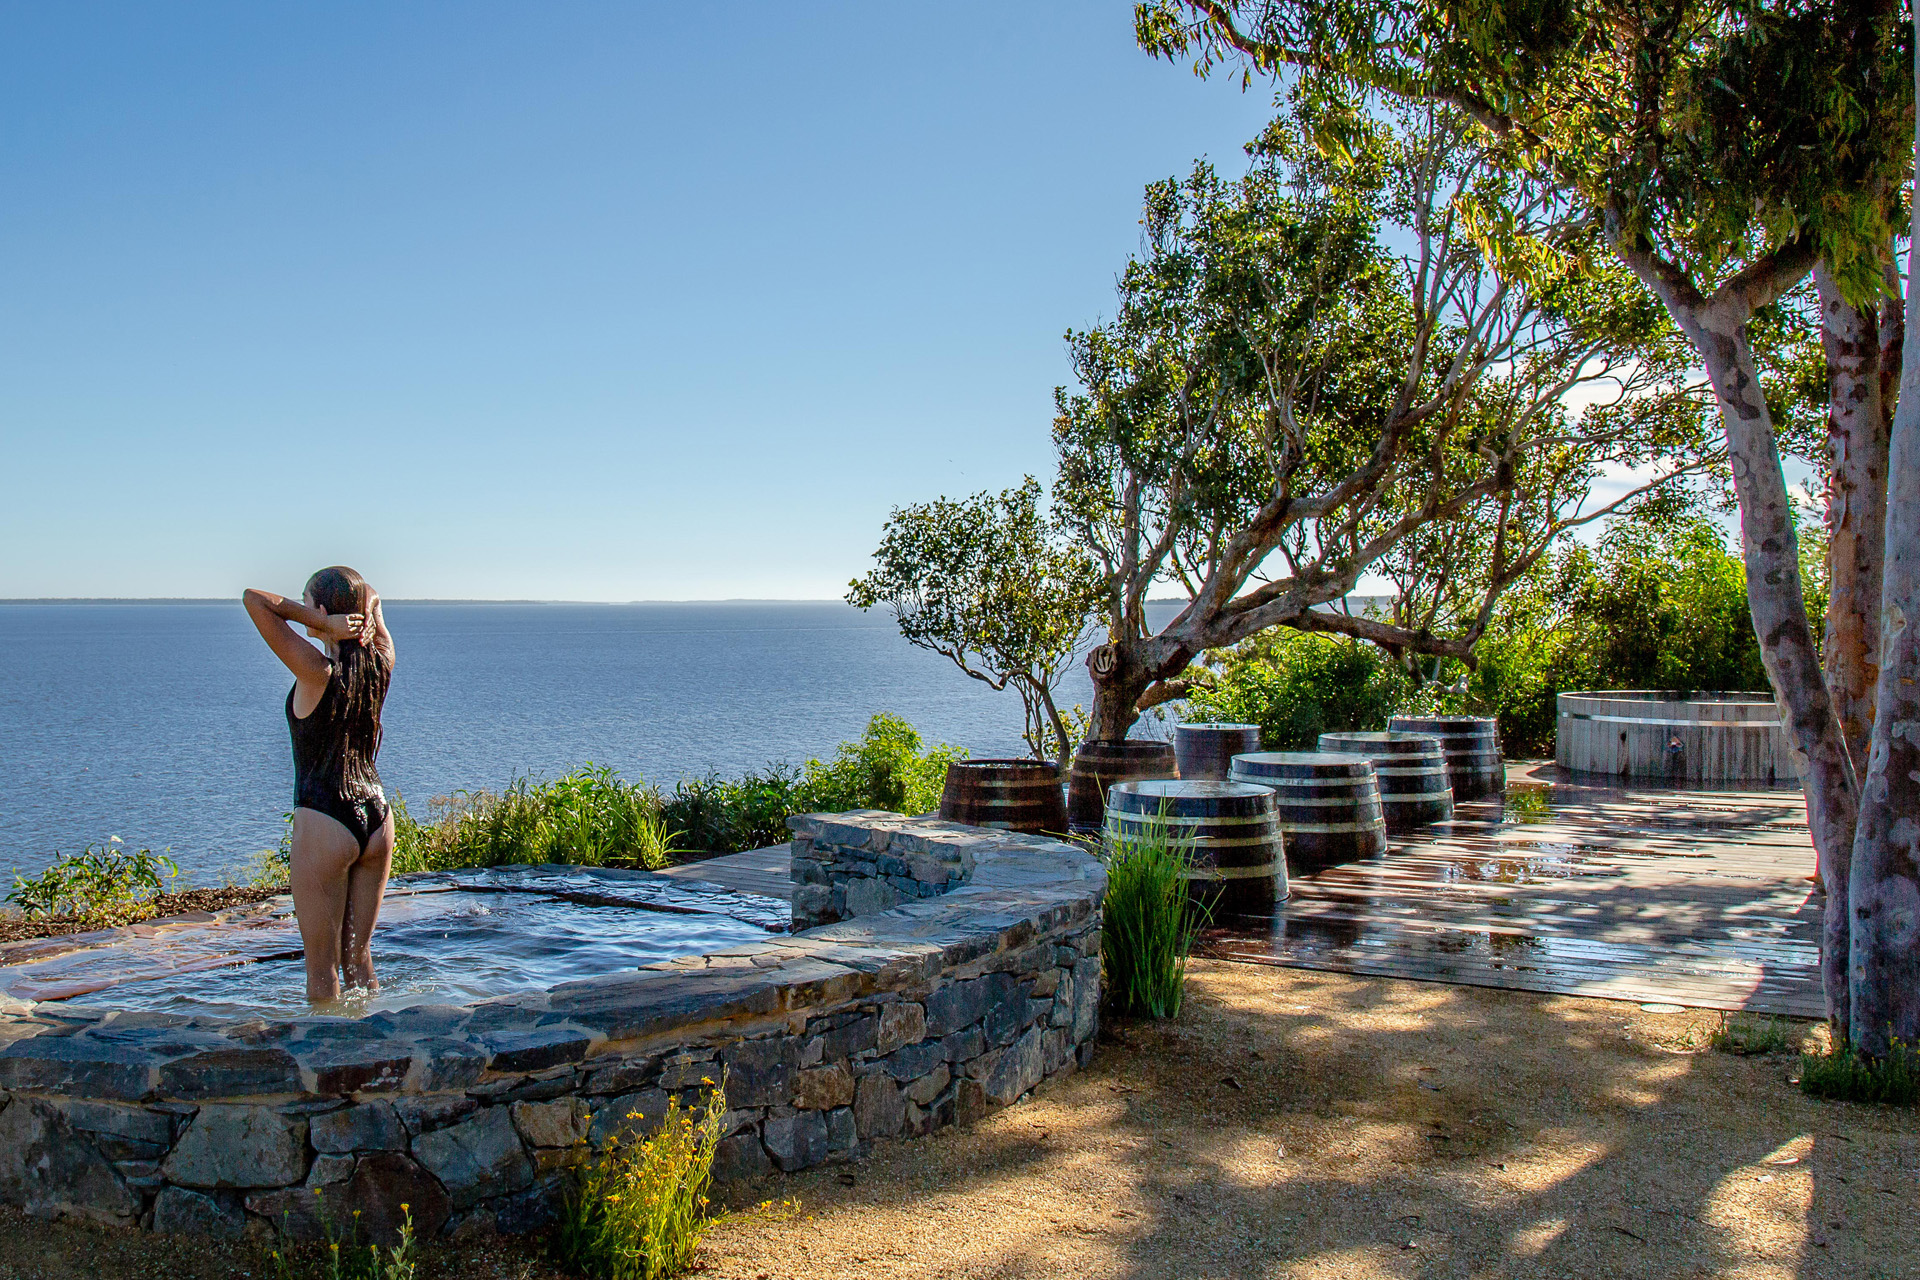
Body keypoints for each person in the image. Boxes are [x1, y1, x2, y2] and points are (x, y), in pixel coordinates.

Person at [242, 568, 395, 1004]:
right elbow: (376, 599)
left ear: (323, 610)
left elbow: (255, 600)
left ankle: (331, 1069)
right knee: (358, 957)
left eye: (307, 601)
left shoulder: (315, 671)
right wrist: (358, 613)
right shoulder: (381, 661)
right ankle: (378, 1047)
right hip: (377, 819)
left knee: (322, 970)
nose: (302, 608)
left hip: (326, 818)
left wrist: (322, 624)